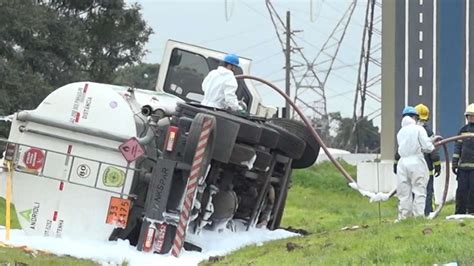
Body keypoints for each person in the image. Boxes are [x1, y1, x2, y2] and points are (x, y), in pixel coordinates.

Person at [394, 106, 435, 221]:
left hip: (402, 164)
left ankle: (404, 218)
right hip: (416, 162)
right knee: (419, 190)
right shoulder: (419, 129)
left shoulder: (400, 132)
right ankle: (418, 217)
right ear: (414, 117)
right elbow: (427, 147)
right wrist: (432, 145)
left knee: (404, 193)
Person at [414, 103, 441, 216]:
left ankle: (414, 213)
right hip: (427, 169)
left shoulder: (410, 131)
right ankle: (428, 211)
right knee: (428, 191)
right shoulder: (429, 132)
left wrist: (396, 164)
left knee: (414, 191)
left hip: (414, 169)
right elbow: (433, 150)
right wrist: (437, 165)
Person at [452, 103, 474, 214]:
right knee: (461, 191)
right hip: (463, 167)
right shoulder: (463, 130)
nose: (471, 118)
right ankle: (460, 212)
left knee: (473, 191)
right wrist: (454, 163)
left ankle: (471, 212)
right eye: (469, 116)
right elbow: (457, 147)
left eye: (472, 116)